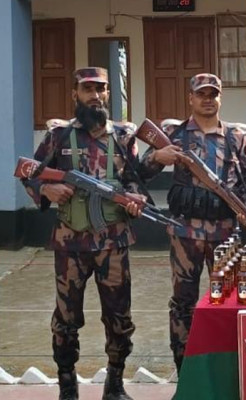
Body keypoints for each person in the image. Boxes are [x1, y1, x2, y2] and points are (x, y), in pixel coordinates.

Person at [22, 67, 143, 400]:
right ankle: (67, 386)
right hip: (70, 243)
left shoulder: (123, 136)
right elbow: (29, 172)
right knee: (66, 319)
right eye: (87, 89)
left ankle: (114, 385)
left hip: (114, 242)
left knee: (119, 317)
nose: (95, 95)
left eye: (100, 89)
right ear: (75, 94)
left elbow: (134, 180)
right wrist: (46, 190)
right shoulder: (59, 136)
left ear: (108, 93)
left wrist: (136, 198)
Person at [139, 73, 246, 373]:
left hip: (225, 234)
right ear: (190, 98)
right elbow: (140, 173)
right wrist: (158, 157)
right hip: (185, 232)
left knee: (228, 301)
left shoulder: (235, 136)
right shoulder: (174, 134)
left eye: (213, 94)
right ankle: (185, 370)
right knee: (183, 304)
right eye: (201, 94)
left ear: (220, 98)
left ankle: (226, 368)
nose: (207, 99)